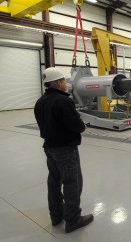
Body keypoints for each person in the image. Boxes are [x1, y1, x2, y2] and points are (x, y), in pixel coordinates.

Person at [34, 67, 93, 233]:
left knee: (54, 182)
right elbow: (76, 126)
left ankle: (56, 216)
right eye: (64, 81)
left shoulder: (40, 102)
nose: (66, 83)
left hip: (49, 148)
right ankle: (73, 219)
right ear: (59, 83)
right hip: (65, 150)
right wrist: (83, 126)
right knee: (72, 183)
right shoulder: (63, 101)